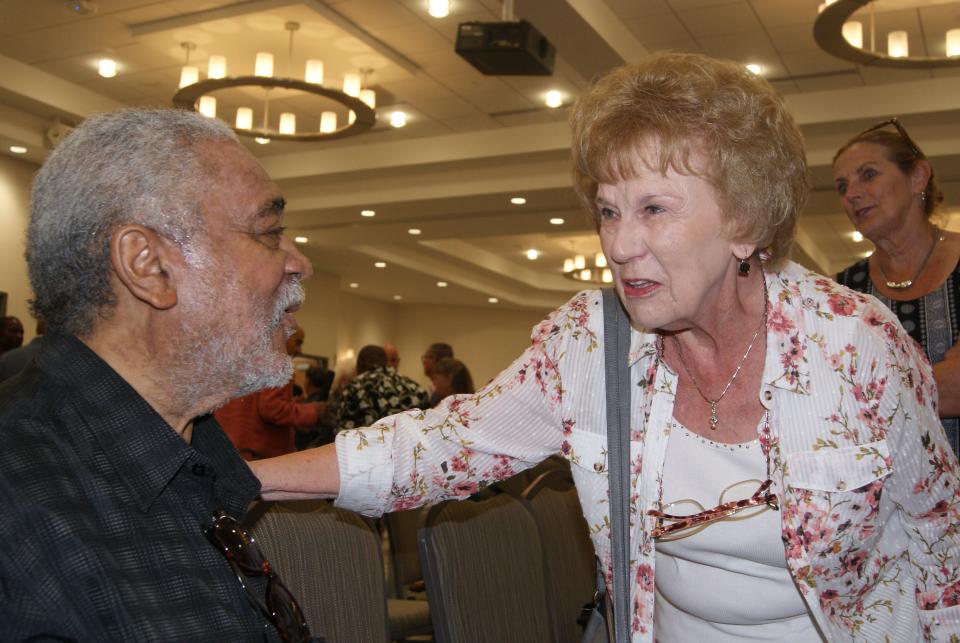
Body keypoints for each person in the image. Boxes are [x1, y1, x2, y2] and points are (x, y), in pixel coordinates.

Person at [253, 53, 960, 641]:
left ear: (746, 219)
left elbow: (939, 535)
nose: (619, 245)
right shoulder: (589, 344)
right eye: (609, 211)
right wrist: (241, 475)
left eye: (654, 208)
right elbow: (439, 446)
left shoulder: (856, 344)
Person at [0, 108, 317, 641]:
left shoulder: (193, 457)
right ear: (147, 265)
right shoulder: (22, 502)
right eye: (270, 232)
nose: (298, 263)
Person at [833, 118, 960, 458]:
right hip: (886, 501)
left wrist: (869, 389)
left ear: (918, 176)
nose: (852, 194)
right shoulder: (841, 291)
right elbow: (831, 400)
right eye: (842, 186)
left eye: (869, 174)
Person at [216, 323, 325, 460]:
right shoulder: (278, 361)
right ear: (282, 335)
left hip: (228, 448)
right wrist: (314, 412)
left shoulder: (235, 358)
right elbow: (272, 408)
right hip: (260, 455)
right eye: (297, 343)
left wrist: (291, 403)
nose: (300, 350)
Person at [335, 344, 429, 432]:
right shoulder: (415, 387)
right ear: (385, 361)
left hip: (372, 447)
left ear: (359, 364)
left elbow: (343, 434)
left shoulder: (355, 387)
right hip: (411, 447)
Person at [0, 318, 44, 382]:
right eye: (13, 331)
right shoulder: (6, 360)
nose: (19, 336)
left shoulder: (22, 358)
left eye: (21, 332)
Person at [421, 341, 453, 406]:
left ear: (434, 359)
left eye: (425, 357)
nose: (423, 362)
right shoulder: (438, 388)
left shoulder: (444, 391)